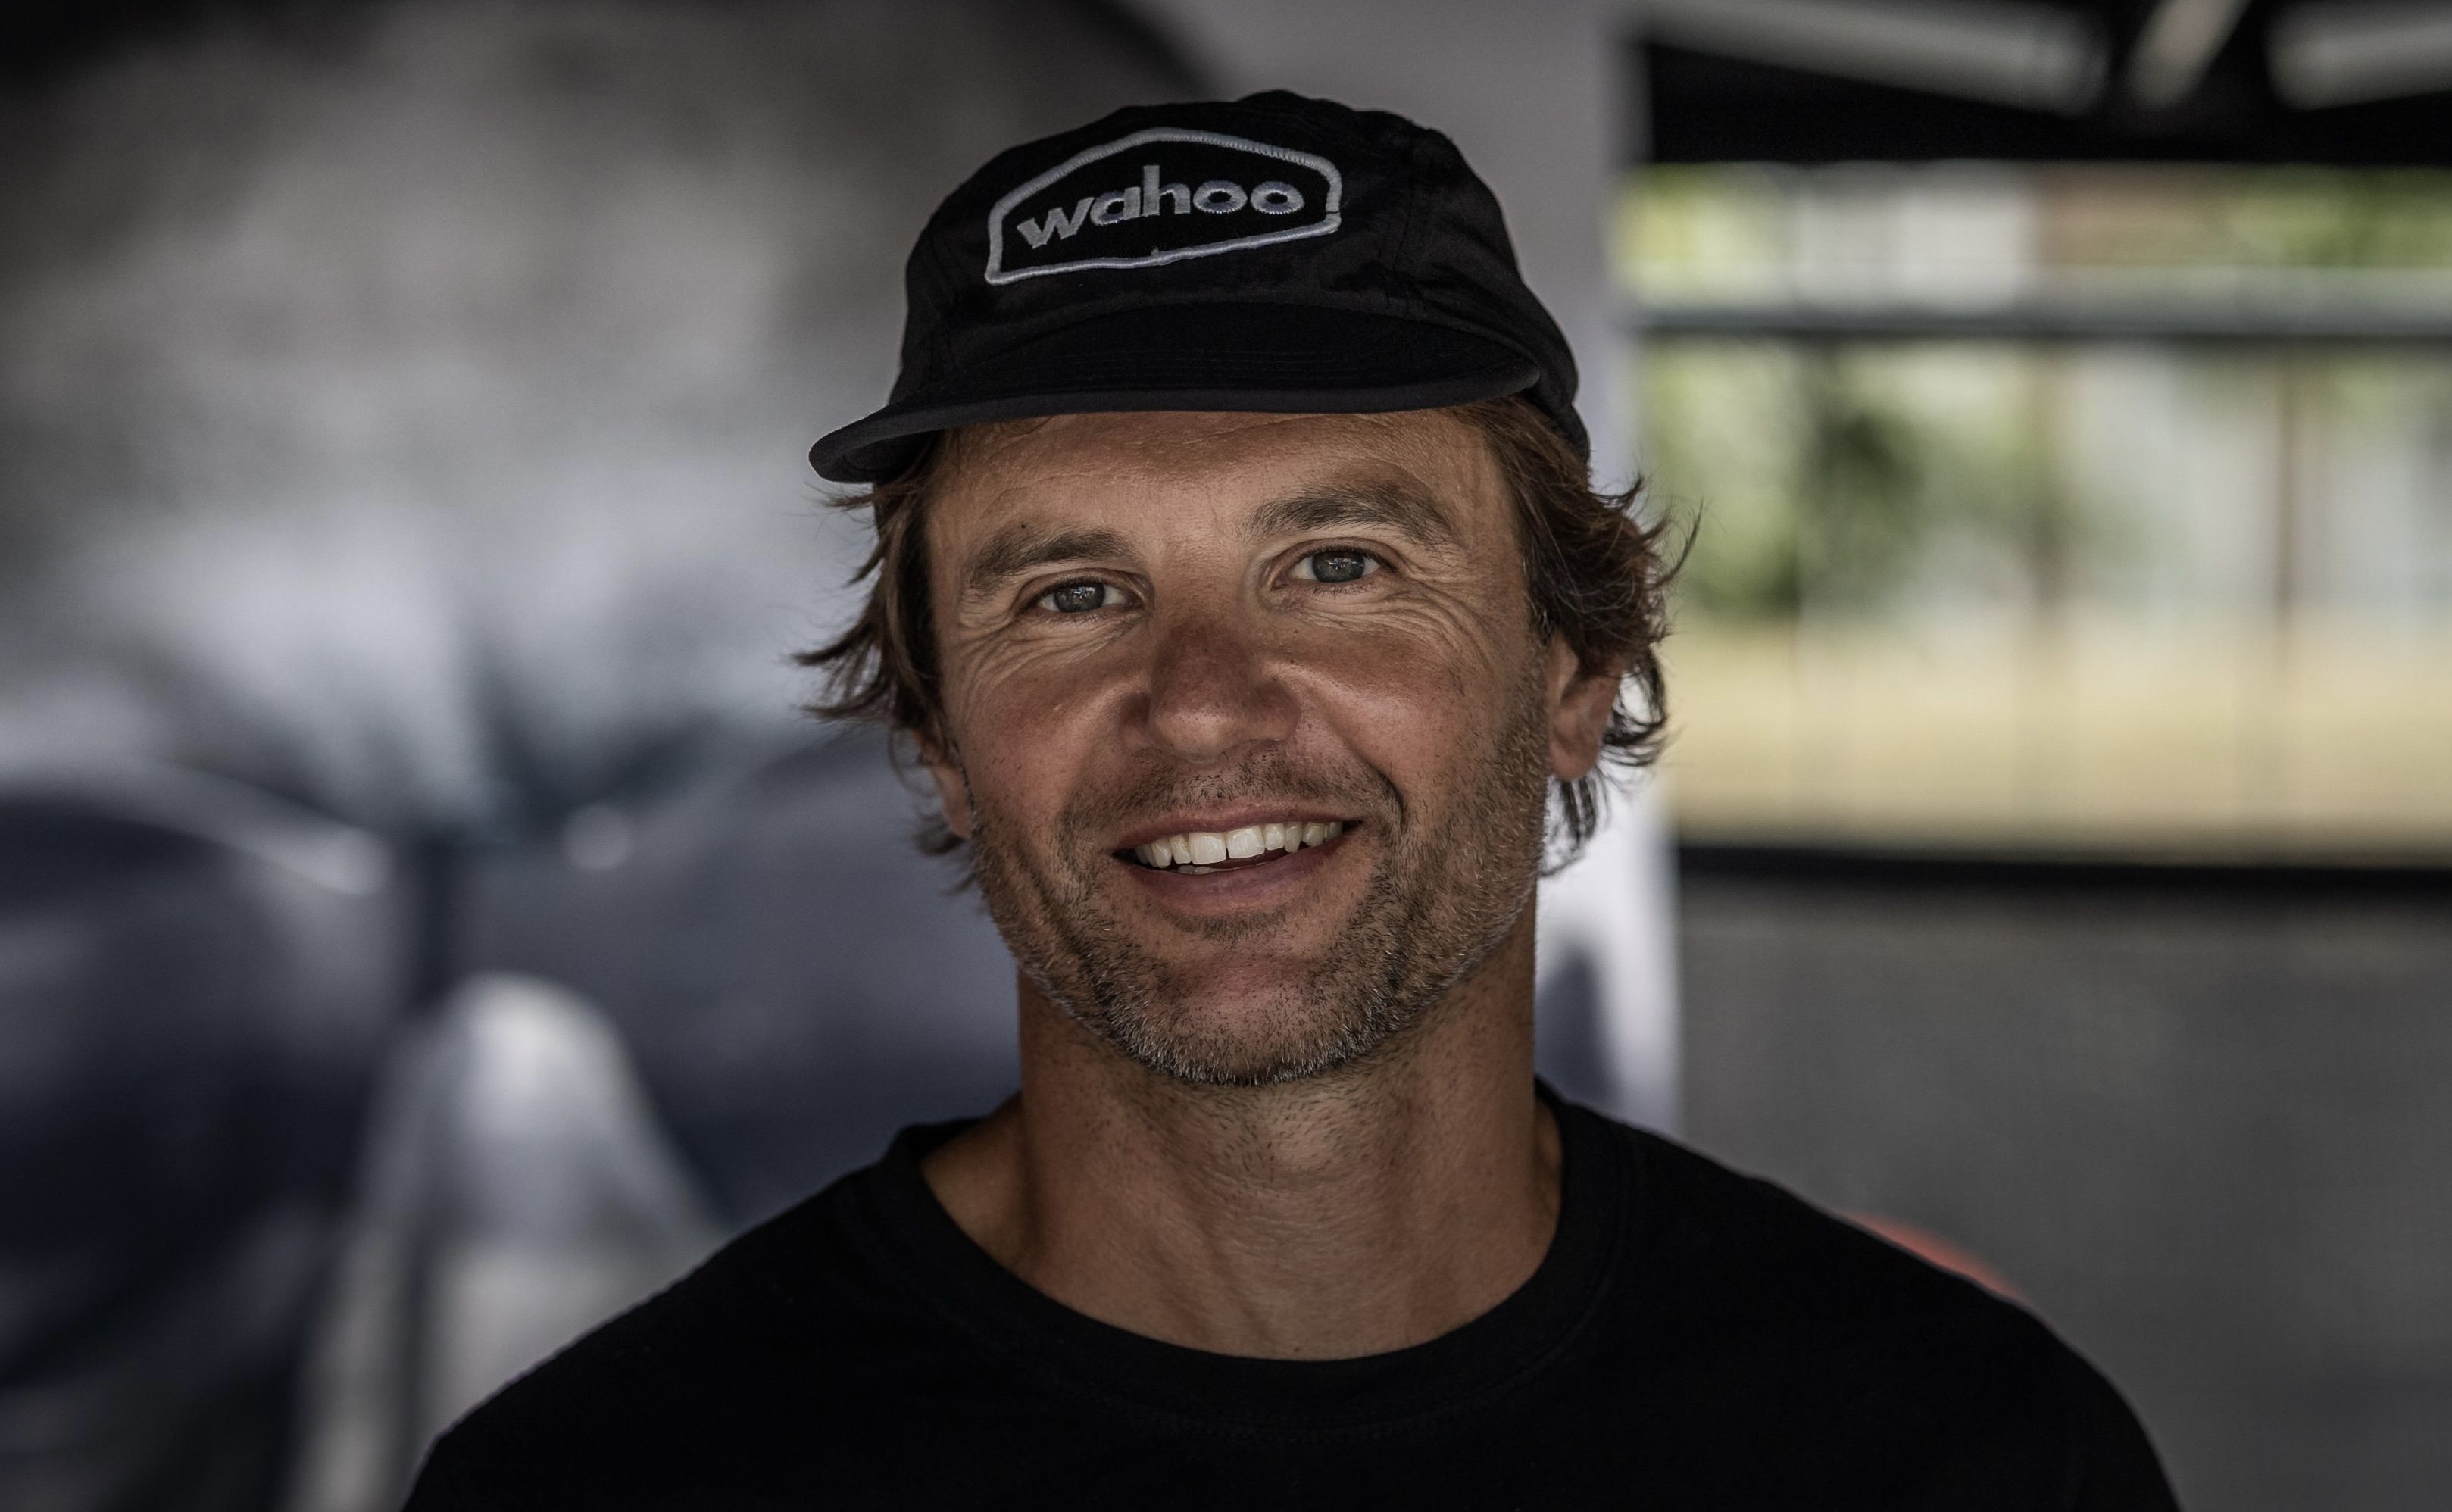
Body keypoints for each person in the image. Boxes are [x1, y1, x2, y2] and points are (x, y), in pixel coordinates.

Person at [406, 92, 2179, 1509]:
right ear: (938, 728)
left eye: (1336, 564)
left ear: (1571, 671)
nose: (1198, 699)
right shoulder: (608, 1482)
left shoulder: (1951, 1455)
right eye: (1071, 593)